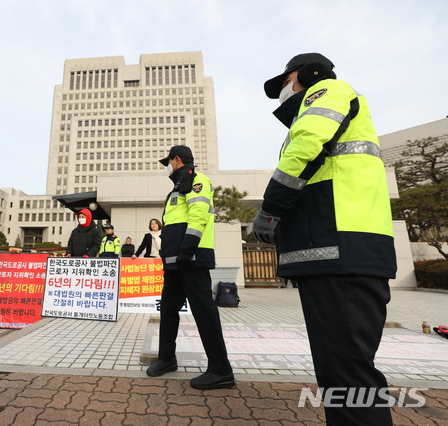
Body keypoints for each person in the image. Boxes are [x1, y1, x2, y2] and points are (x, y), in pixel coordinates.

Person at [254, 53, 397, 425]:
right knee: (340, 370)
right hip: (338, 250)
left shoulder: (327, 91)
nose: (284, 91)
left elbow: (306, 148)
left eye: (286, 82)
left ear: (305, 74)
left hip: (343, 248)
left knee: (348, 375)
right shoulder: (325, 104)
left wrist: (271, 208)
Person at [146, 145, 234, 390]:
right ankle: (167, 358)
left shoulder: (197, 180)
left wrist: (187, 249)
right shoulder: (177, 186)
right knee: (169, 309)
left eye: (169, 161)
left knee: (204, 310)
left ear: (177, 159)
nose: (168, 166)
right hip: (175, 261)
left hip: (191, 258)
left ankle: (221, 370)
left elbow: (198, 216)